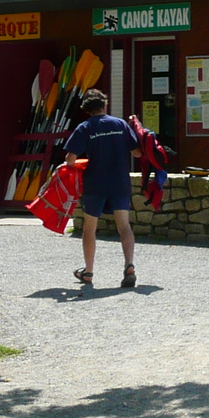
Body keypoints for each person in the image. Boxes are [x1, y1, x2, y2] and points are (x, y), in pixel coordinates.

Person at [62, 89, 141, 288]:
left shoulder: (85, 127)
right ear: (104, 105)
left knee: (90, 228)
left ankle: (88, 272)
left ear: (87, 110)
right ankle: (129, 265)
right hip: (119, 183)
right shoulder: (120, 124)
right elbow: (138, 153)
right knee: (124, 226)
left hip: (95, 184)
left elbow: (70, 159)